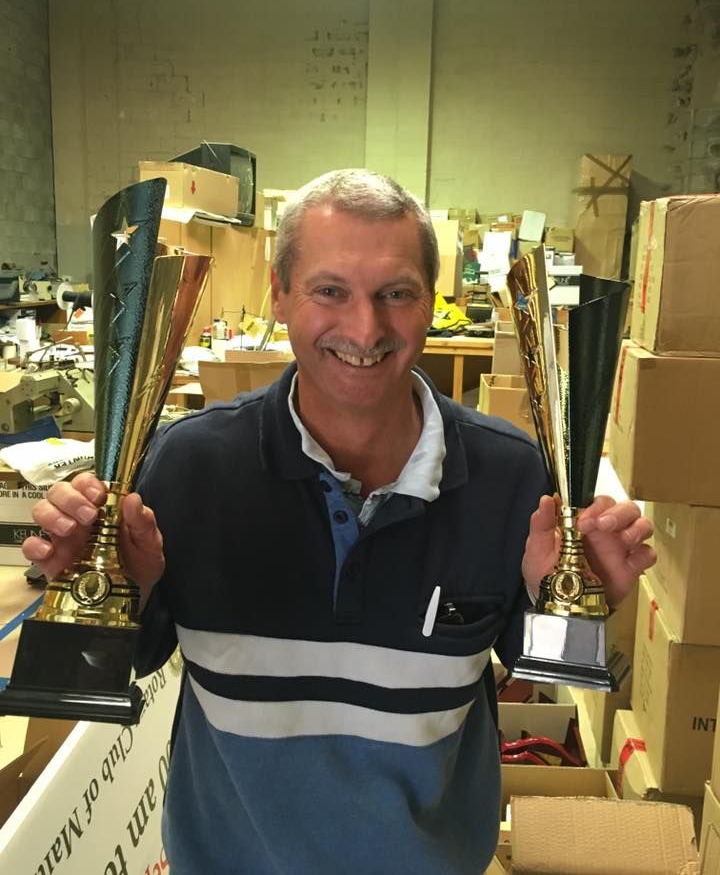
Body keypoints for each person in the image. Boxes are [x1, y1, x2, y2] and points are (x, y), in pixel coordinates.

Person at [24, 169, 654, 875]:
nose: (365, 329)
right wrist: (103, 592)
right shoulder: (187, 466)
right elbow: (118, 665)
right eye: (331, 291)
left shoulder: (511, 479)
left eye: (397, 294)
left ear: (430, 302)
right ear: (280, 293)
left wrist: (585, 599)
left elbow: (539, 666)